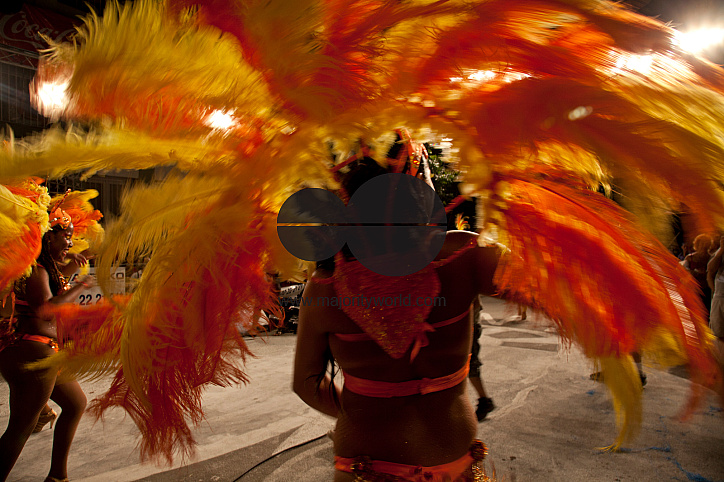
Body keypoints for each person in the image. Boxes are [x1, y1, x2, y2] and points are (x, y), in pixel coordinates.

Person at [293, 158, 500, 481]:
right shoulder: (463, 255)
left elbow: (305, 383)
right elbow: (560, 286)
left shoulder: (324, 288)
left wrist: (360, 416)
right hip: (456, 462)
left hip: (366, 464)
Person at [0, 207, 95, 482]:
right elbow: (46, 308)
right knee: (19, 429)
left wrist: (77, 264)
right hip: (33, 353)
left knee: (76, 403)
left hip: (44, 354)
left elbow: (56, 284)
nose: (69, 242)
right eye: (65, 236)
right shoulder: (35, 269)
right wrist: (81, 286)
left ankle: (57, 477)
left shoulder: (44, 268)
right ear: (47, 238)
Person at [471, 296, 494, 421]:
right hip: (466, 325)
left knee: (471, 365)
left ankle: (484, 401)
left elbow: (476, 304)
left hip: (470, 327)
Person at [682, 234, 713, 314]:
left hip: (706, 289)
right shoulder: (690, 258)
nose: (703, 246)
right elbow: (684, 271)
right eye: (701, 243)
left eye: (706, 244)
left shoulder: (712, 258)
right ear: (697, 244)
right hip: (693, 289)